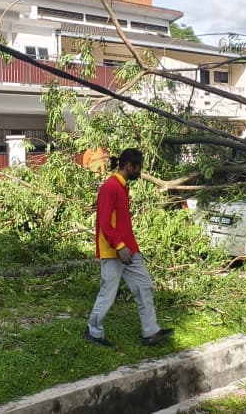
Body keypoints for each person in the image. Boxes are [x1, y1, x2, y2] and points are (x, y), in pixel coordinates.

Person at [85, 148, 174, 348]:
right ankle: (93, 331)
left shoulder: (123, 187)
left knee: (144, 286)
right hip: (114, 251)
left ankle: (150, 331)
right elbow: (105, 223)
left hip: (129, 250)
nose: (140, 172)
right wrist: (119, 246)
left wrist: (130, 247)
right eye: (138, 168)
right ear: (129, 166)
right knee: (107, 294)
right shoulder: (111, 187)